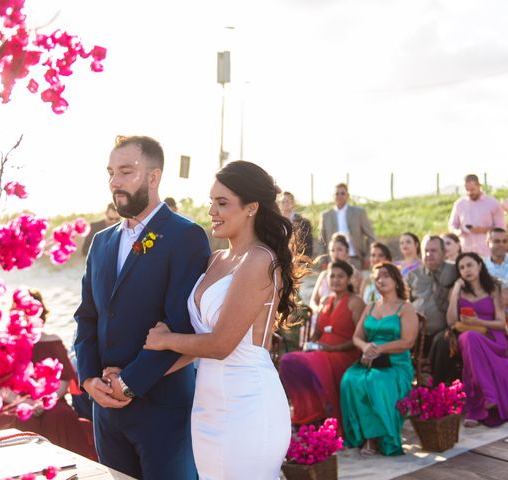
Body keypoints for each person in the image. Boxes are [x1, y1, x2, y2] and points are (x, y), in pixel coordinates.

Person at [142, 161, 299, 480]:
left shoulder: (259, 259)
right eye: (211, 201)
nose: (212, 210)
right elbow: (198, 344)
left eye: (222, 202)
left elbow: (221, 344)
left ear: (251, 208)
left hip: (249, 405)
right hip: (207, 405)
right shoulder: (216, 260)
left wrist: (165, 339)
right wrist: (137, 380)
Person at [74, 135, 211, 479]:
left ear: (153, 177)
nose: (114, 182)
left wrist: (129, 383)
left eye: (126, 171)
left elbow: (180, 324)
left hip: (163, 410)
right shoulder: (101, 243)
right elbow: (87, 316)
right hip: (105, 410)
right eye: (110, 173)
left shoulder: (186, 237)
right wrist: (90, 380)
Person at [0, 289, 97, 460]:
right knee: (23, 420)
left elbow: (64, 381)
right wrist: (25, 402)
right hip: (14, 402)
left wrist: (43, 402)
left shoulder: (53, 341)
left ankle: (67, 466)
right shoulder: (4, 344)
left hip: (52, 401)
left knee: (61, 416)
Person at [340, 262, 418, 456]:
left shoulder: (405, 308)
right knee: (350, 379)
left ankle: (380, 437)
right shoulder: (371, 306)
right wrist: (366, 347)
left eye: (385, 276)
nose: (380, 280)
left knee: (375, 381)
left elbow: (407, 342)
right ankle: (364, 436)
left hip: (396, 363)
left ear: (396, 279)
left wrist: (379, 349)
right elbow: (357, 337)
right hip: (370, 359)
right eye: (377, 278)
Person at [279, 260, 364, 428]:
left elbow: (359, 338)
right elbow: (318, 332)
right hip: (321, 352)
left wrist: (331, 348)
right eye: (332, 276)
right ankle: (310, 412)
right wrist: (310, 344)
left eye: (341, 276)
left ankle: (327, 414)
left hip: (344, 354)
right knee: (289, 361)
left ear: (348, 279)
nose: (336, 280)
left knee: (304, 362)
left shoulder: (356, 302)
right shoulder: (326, 301)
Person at [447, 252, 508, 427]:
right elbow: (451, 322)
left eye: (470, 265)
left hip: (492, 337)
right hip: (467, 337)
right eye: (461, 267)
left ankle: (476, 408)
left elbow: (500, 323)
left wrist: (478, 321)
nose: (466, 270)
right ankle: (488, 396)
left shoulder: (493, 289)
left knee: (471, 342)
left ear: (480, 266)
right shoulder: (457, 291)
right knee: (469, 338)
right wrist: (455, 293)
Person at [406, 235, 459, 385]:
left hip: (445, 330)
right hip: (417, 330)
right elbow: (406, 303)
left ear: (444, 252)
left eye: (434, 250)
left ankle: (437, 389)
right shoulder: (414, 275)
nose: (429, 254)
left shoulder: (454, 270)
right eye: (426, 251)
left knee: (442, 342)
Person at [319, 183, 376, 270]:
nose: (339, 196)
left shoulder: (359, 213)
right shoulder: (326, 215)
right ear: (333, 196)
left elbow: (371, 237)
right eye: (337, 193)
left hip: (355, 260)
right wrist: (323, 261)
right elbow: (322, 241)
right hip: (333, 261)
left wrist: (368, 257)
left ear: (347, 195)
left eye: (342, 193)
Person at [448, 174, 506, 257]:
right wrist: (457, 232)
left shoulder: (493, 204)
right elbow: (452, 225)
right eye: (467, 190)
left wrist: (482, 230)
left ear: (479, 186)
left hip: (488, 253)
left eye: (472, 189)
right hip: (466, 252)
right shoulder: (459, 204)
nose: (470, 192)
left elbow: (501, 228)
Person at [310, 234, 362, 312]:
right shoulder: (324, 274)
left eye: (339, 250)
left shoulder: (354, 275)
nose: (335, 254)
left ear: (347, 252)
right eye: (332, 250)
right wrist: (318, 310)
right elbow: (313, 301)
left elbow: (359, 300)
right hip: (321, 314)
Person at [482, 228, 508, 316]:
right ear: (488, 243)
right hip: (490, 314)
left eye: (504, 241)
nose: (501, 244)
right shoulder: (482, 266)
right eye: (497, 241)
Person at [279, 190, 313, 258]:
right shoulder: (276, 222)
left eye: (288, 201)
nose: (285, 204)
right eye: (283, 202)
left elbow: (308, 246)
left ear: (293, 203)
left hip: (299, 260)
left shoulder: (304, 222)